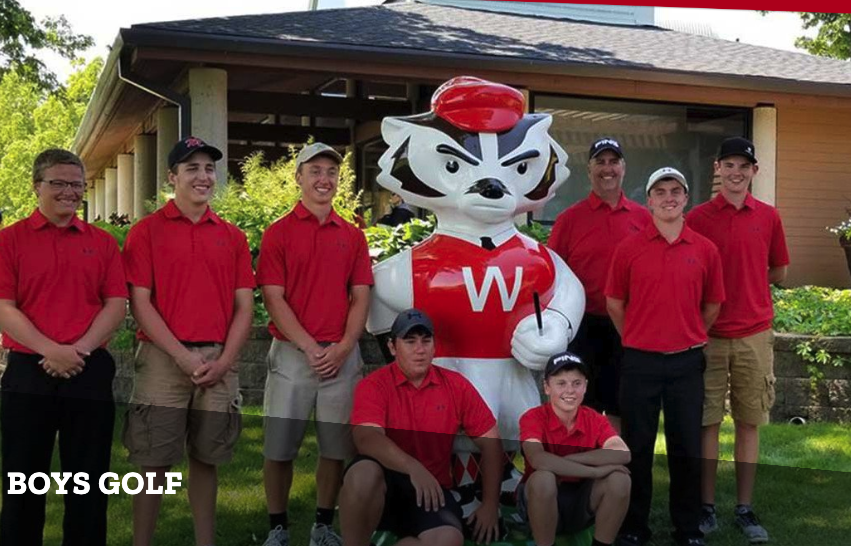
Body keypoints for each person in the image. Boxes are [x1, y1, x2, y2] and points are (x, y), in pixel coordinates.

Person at [122, 136, 256, 546]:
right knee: (152, 461)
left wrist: (225, 360)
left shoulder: (231, 236)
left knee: (206, 457)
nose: (203, 177)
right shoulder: (146, 232)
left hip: (218, 357)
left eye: (209, 169)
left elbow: (245, 307)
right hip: (164, 358)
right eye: (192, 168)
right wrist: (182, 357)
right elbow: (140, 304)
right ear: (172, 177)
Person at [0, 148, 128, 545]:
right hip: (27, 372)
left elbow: (116, 304)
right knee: (23, 479)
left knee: (88, 481)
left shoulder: (103, 243)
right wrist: (48, 350)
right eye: (59, 183)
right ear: (37, 186)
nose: (70, 192)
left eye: (76, 184)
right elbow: (4, 307)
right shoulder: (9, 241)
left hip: (88, 370)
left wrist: (79, 350)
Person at [257, 142, 373, 546]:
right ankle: (278, 528)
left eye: (331, 173)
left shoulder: (353, 236)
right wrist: (309, 346)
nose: (324, 180)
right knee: (278, 447)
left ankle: (322, 525)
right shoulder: (278, 234)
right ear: (299, 178)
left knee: (336, 447)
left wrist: (343, 347)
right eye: (315, 171)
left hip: (341, 355)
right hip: (293, 354)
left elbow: (360, 296)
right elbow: (274, 298)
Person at [606, 167, 725, 546]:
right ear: (650, 201)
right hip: (640, 361)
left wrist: (688, 334)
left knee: (686, 447)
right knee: (637, 446)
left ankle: (687, 529)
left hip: (686, 362)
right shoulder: (629, 248)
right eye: (661, 191)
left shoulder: (705, 249)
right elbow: (614, 302)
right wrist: (637, 337)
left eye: (676, 190)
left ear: (686, 198)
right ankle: (634, 526)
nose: (669, 197)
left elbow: (712, 305)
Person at [687, 137, 789, 543]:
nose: (735, 172)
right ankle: (706, 507)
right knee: (706, 422)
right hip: (707, 335)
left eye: (742, 166)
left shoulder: (768, 216)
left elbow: (779, 271)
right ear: (717, 169)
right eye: (728, 165)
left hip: (754, 334)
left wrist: (747, 284)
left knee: (749, 422)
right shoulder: (696, 218)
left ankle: (744, 509)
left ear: (754, 172)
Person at [339, 309, 502, 546]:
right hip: (383, 486)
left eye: (426, 341)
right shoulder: (373, 385)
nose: (420, 349)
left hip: (431, 490)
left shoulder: (456, 385)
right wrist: (412, 467)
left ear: (434, 347)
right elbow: (366, 438)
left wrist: (490, 505)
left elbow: (491, 443)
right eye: (410, 341)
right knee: (362, 474)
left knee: (449, 541)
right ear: (392, 347)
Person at [548, 137, 651, 431]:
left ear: (624, 168)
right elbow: (554, 274)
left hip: (627, 325)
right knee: (580, 401)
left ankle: (615, 469)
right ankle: (579, 471)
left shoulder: (644, 219)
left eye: (613, 162)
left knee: (621, 401)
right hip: (582, 325)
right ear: (589, 168)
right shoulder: (570, 220)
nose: (608, 169)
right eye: (600, 162)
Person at [519, 350, 631, 546]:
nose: (570, 390)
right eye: (561, 383)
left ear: (586, 386)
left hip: (581, 499)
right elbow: (538, 459)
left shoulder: (593, 417)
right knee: (543, 477)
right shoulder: (532, 417)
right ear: (547, 387)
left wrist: (568, 461)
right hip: (539, 502)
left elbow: (622, 453)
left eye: (576, 383)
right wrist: (595, 471)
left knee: (620, 479)